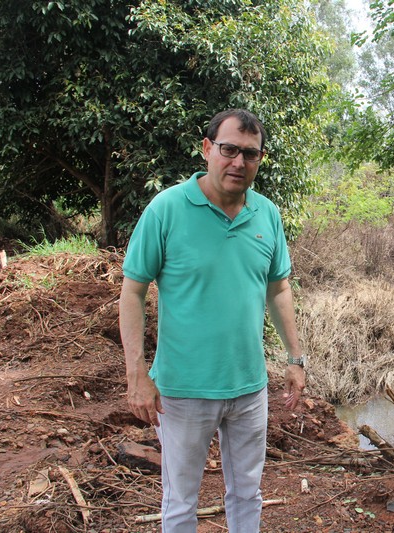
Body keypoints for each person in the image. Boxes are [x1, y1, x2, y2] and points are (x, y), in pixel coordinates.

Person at [119, 109, 306, 532]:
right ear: (207, 149)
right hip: (182, 392)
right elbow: (132, 291)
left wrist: (296, 358)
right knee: (181, 502)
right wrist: (136, 374)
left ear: (260, 159)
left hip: (249, 390)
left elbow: (278, 288)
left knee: (247, 494)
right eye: (228, 150)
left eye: (250, 154)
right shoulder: (166, 209)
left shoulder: (267, 215)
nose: (238, 162)